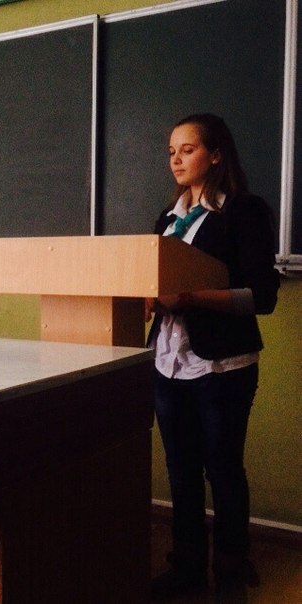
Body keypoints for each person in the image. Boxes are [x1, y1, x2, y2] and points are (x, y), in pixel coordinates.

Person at [146, 114, 280, 601]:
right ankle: (185, 566)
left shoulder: (244, 211)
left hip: (222, 366)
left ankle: (229, 571)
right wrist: (150, 298)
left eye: (188, 150)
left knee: (222, 471)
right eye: (171, 152)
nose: (176, 160)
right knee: (180, 471)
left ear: (216, 154)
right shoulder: (167, 219)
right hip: (168, 362)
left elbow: (261, 297)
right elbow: (156, 285)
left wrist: (191, 298)